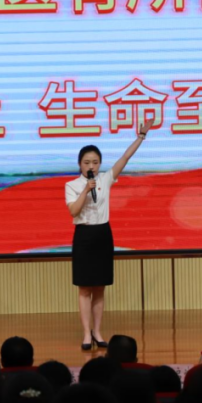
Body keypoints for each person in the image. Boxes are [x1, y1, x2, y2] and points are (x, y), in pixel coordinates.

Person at [65, 120, 154, 350]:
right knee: (84, 288)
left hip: (103, 234)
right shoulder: (72, 185)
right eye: (87, 162)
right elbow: (74, 211)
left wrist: (141, 136)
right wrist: (86, 190)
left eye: (95, 162)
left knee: (100, 287)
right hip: (84, 235)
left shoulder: (105, 179)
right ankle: (86, 334)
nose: (91, 166)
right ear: (79, 164)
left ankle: (97, 331)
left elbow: (125, 158)